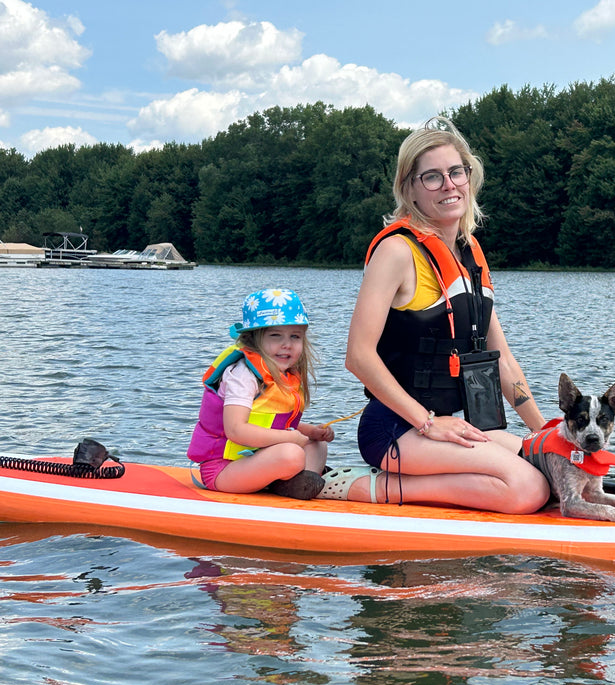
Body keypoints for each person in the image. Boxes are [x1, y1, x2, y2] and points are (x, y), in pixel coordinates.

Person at [318, 117, 550, 513]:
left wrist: (545, 433)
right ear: (409, 188)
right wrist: (427, 422)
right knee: (528, 489)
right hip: (394, 429)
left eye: (455, 171)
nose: (448, 184)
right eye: (431, 177)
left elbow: (504, 362)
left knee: (549, 467)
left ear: (469, 177)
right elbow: (358, 356)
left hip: (452, 426)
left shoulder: (470, 252)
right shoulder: (396, 252)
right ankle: (361, 485)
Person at [188, 288, 334, 499]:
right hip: (224, 469)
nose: (287, 344)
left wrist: (310, 432)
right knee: (291, 453)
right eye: (276, 336)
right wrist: (290, 438)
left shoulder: (285, 375)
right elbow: (236, 430)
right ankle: (295, 482)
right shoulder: (243, 375)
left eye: (295, 336)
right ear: (254, 339)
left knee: (316, 445)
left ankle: (299, 483)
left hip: (257, 460)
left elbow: (271, 423)